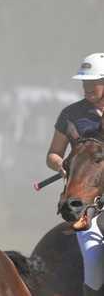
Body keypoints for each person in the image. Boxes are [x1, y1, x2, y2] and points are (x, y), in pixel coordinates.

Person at [46, 52, 104, 295]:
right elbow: (53, 153)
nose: (87, 88)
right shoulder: (71, 114)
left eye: (93, 83)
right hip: (87, 201)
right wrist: (60, 165)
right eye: (84, 83)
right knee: (93, 259)